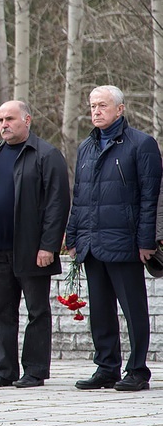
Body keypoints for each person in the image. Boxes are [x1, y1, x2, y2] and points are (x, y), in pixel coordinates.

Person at [65, 86, 161, 392]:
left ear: (120, 109)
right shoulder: (85, 148)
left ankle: (137, 370)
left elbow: (150, 197)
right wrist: (72, 235)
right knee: (101, 310)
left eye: (102, 106)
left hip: (126, 242)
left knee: (134, 309)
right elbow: (79, 196)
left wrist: (147, 240)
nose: (96, 111)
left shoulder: (141, 145)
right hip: (92, 242)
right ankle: (106, 367)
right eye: (93, 106)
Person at [0, 100, 70, 388]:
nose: (4, 124)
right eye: (0, 119)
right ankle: (4, 370)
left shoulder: (46, 155)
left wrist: (49, 245)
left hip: (31, 249)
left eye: (10, 119)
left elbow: (57, 203)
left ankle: (35, 370)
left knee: (37, 311)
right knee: (1, 311)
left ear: (27, 120)